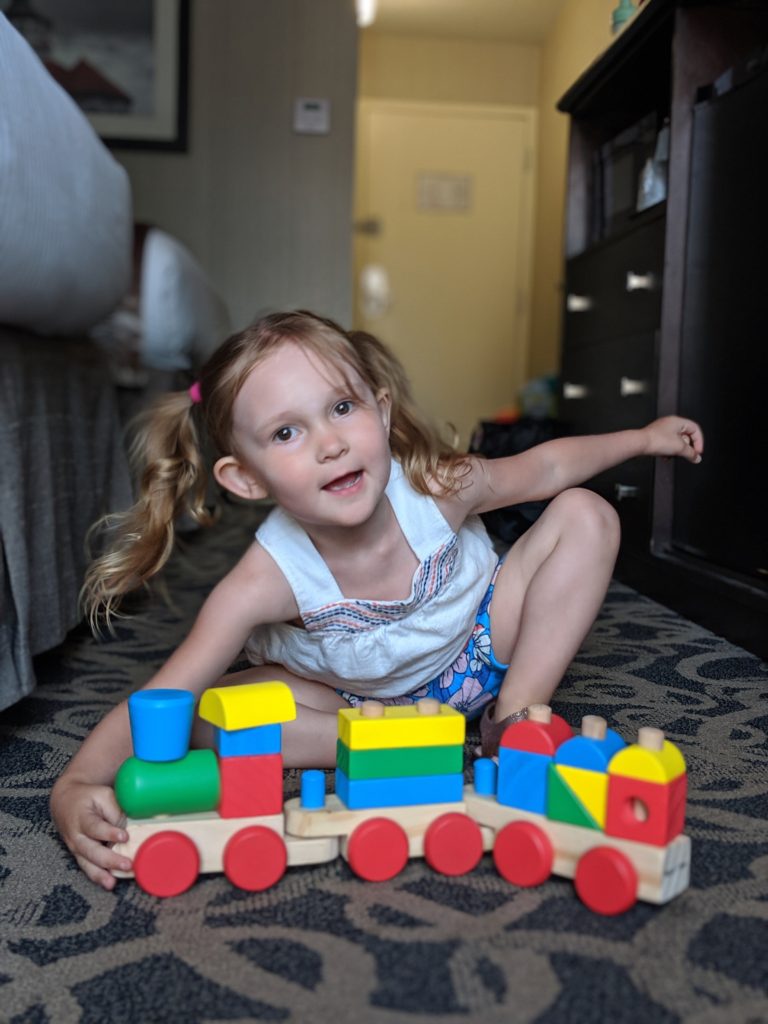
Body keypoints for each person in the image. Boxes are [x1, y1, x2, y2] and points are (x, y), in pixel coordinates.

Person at [50, 310, 704, 889]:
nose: (330, 443)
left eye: (342, 408)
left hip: (478, 650)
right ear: (245, 478)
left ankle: (513, 720)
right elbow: (168, 690)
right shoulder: (261, 580)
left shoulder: (439, 485)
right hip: (353, 706)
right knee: (209, 715)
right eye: (286, 433)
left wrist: (645, 439)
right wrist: (75, 786)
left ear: (382, 411)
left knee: (587, 517)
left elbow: (551, 468)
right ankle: (401, 745)